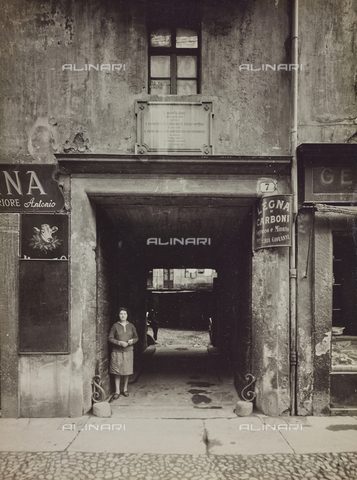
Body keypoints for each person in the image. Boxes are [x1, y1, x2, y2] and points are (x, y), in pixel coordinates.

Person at [108, 307, 138, 399]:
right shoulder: (115, 326)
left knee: (126, 371)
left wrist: (132, 341)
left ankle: (124, 389)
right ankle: (117, 391)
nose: (123, 315)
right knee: (117, 371)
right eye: (121, 314)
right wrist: (119, 342)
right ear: (119, 315)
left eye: (124, 314)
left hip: (128, 351)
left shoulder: (131, 326)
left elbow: (136, 337)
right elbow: (110, 338)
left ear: (127, 315)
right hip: (117, 352)